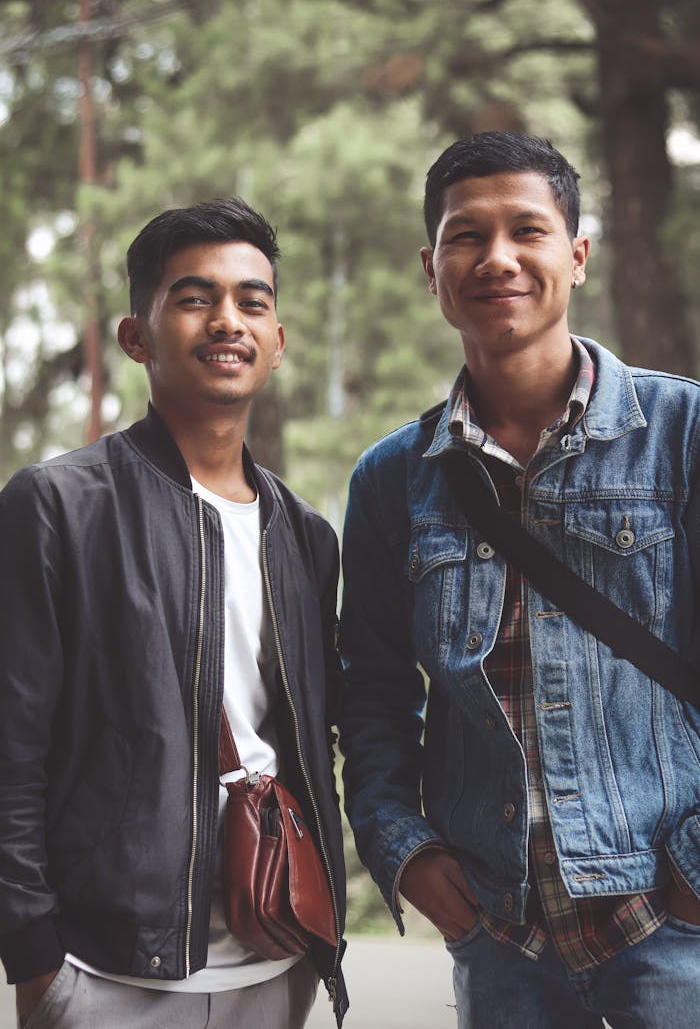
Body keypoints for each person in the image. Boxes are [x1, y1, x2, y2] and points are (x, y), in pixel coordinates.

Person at [339, 131, 700, 1028]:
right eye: (466, 236)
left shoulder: (683, 433)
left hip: (672, 925)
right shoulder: (392, 479)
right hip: (504, 943)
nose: (496, 258)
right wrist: (404, 850)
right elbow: (372, 698)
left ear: (576, 255)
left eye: (527, 231)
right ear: (432, 268)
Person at [0, 198, 347, 1028]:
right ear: (137, 336)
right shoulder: (57, 506)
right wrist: (35, 953)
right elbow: (12, 747)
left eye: (253, 302)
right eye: (195, 298)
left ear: (277, 341)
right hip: (105, 967)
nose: (228, 320)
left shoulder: (306, 535)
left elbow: (317, 735)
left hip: (278, 953)